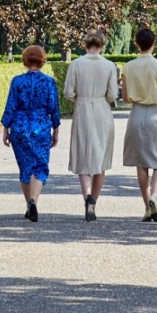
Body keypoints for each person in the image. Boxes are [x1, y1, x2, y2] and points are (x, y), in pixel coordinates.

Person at [0, 45, 61, 222]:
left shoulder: (17, 81)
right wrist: (56, 130)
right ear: (42, 61)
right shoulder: (49, 82)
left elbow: (10, 106)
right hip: (40, 126)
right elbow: (54, 108)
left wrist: (5, 129)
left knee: (25, 166)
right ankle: (33, 200)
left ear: (25, 60)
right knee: (40, 165)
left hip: (19, 127)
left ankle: (29, 203)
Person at [62, 29, 118, 221]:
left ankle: (86, 195)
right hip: (102, 109)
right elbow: (112, 94)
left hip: (83, 109)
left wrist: (81, 98)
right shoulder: (110, 65)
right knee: (100, 158)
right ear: (102, 45)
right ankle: (94, 198)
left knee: (83, 154)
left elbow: (68, 92)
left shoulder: (76, 64)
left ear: (86, 45)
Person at [121, 26, 157, 222]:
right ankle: (154, 196)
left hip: (136, 114)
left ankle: (146, 206)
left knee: (141, 163)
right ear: (154, 43)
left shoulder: (129, 66)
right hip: (156, 113)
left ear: (136, 44)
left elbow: (125, 97)